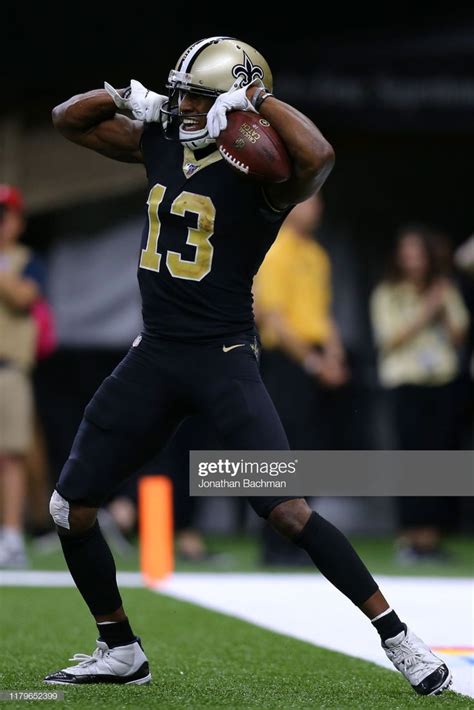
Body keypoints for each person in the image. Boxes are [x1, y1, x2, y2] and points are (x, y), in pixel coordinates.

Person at [45, 37, 450, 696]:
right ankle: (119, 647)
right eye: (180, 96)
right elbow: (69, 120)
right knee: (70, 509)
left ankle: (399, 637)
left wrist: (256, 101)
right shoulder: (160, 141)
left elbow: (319, 155)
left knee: (288, 509)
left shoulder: (260, 173)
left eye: (196, 97)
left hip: (222, 358)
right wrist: (126, 98)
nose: (182, 108)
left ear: (233, 99)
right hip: (154, 353)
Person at [370, 225, 470, 562]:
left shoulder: (443, 289)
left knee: (439, 460)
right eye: (406, 253)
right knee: (410, 461)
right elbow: (389, 339)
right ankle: (409, 536)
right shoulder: (387, 293)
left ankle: (431, 537)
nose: (411, 259)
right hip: (406, 382)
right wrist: (428, 309)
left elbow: (459, 335)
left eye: (418, 253)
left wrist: (442, 307)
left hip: (441, 381)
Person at [0, 185, 46, 568]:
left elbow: (23, 297)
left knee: (12, 455)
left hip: (9, 368)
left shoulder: (27, 260)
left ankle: (12, 535)